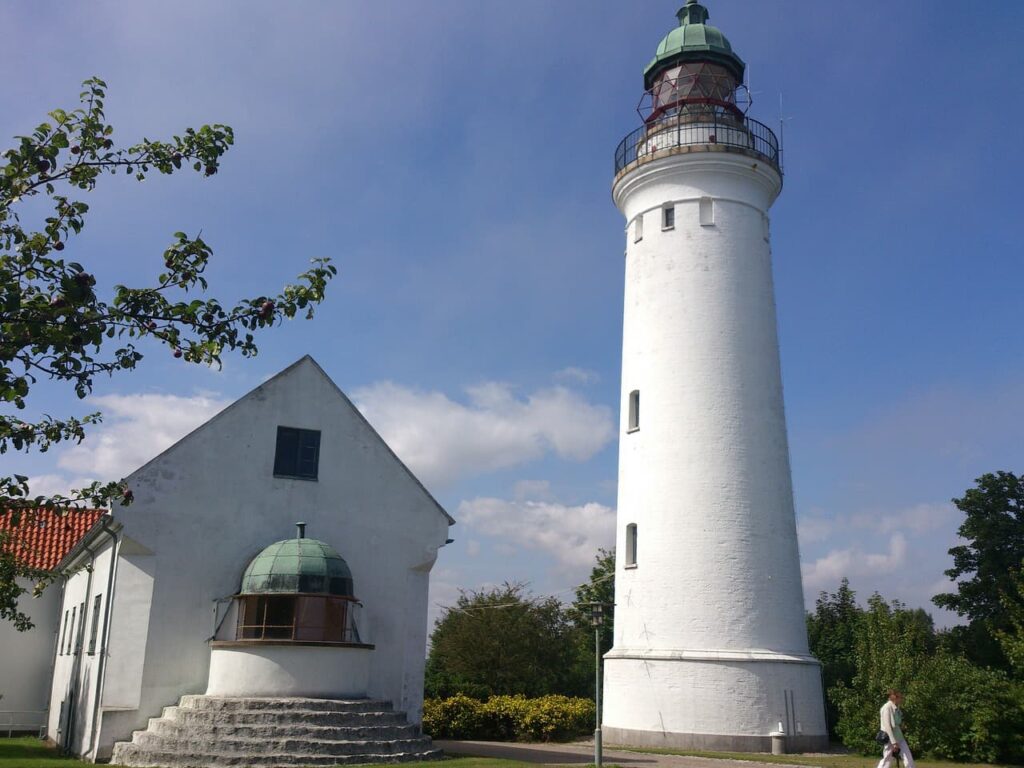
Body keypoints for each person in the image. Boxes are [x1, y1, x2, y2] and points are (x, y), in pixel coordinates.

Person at [876, 689, 915, 768]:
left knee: (908, 758)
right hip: (890, 737)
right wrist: (894, 742)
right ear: (895, 698)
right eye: (901, 697)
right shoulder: (887, 707)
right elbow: (887, 727)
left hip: (899, 736)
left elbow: (897, 722)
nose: (902, 699)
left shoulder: (896, 707)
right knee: (887, 759)